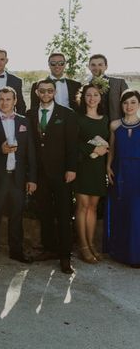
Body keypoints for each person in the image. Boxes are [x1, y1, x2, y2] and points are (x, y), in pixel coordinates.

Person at [26, 79, 78, 274]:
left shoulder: (67, 114)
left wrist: (71, 168)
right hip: (40, 174)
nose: (46, 94)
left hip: (62, 173)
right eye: (42, 91)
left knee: (64, 214)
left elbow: (72, 145)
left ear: (54, 92)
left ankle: (65, 256)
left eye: (49, 91)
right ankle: (49, 249)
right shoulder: (30, 115)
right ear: (37, 93)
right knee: (45, 213)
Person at [0, 87, 36, 266]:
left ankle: (16, 251)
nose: (4, 102)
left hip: (18, 177)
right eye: (1, 99)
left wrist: (32, 178)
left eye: (8, 99)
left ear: (15, 101)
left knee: (17, 215)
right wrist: (0, 149)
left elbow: (31, 153)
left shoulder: (24, 122)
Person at [74, 83, 109, 264]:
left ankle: (91, 243)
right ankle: (83, 246)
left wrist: (104, 151)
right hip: (83, 166)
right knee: (82, 206)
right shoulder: (78, 119)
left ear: (100, 97)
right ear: (83, 97)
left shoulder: (105, 119)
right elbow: (72, 143)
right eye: (88, 95)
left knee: (93, 207)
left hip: (97, 169)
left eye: (96, 95)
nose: (92, 98)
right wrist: (93, 149)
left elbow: (110, 144)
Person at [105, 89, 140, 267]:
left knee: (136, 213)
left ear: (139, 104)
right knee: (121, 211)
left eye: (133, 102)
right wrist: (108, 166)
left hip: (138, 172)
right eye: (125, 103)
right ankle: (121, 253)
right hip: (120, 172)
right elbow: (112, 148)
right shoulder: (115, 125)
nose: (129, 106)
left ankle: (136, 256)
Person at [88, 54, 129, 121]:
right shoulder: (85, 86)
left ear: (106, 67)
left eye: (100, 65)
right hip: (94, 126)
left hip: (117, 125)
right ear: (89, 67)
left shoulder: (119, 83)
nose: (96, 68)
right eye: (93, 65)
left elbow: (129, 105)